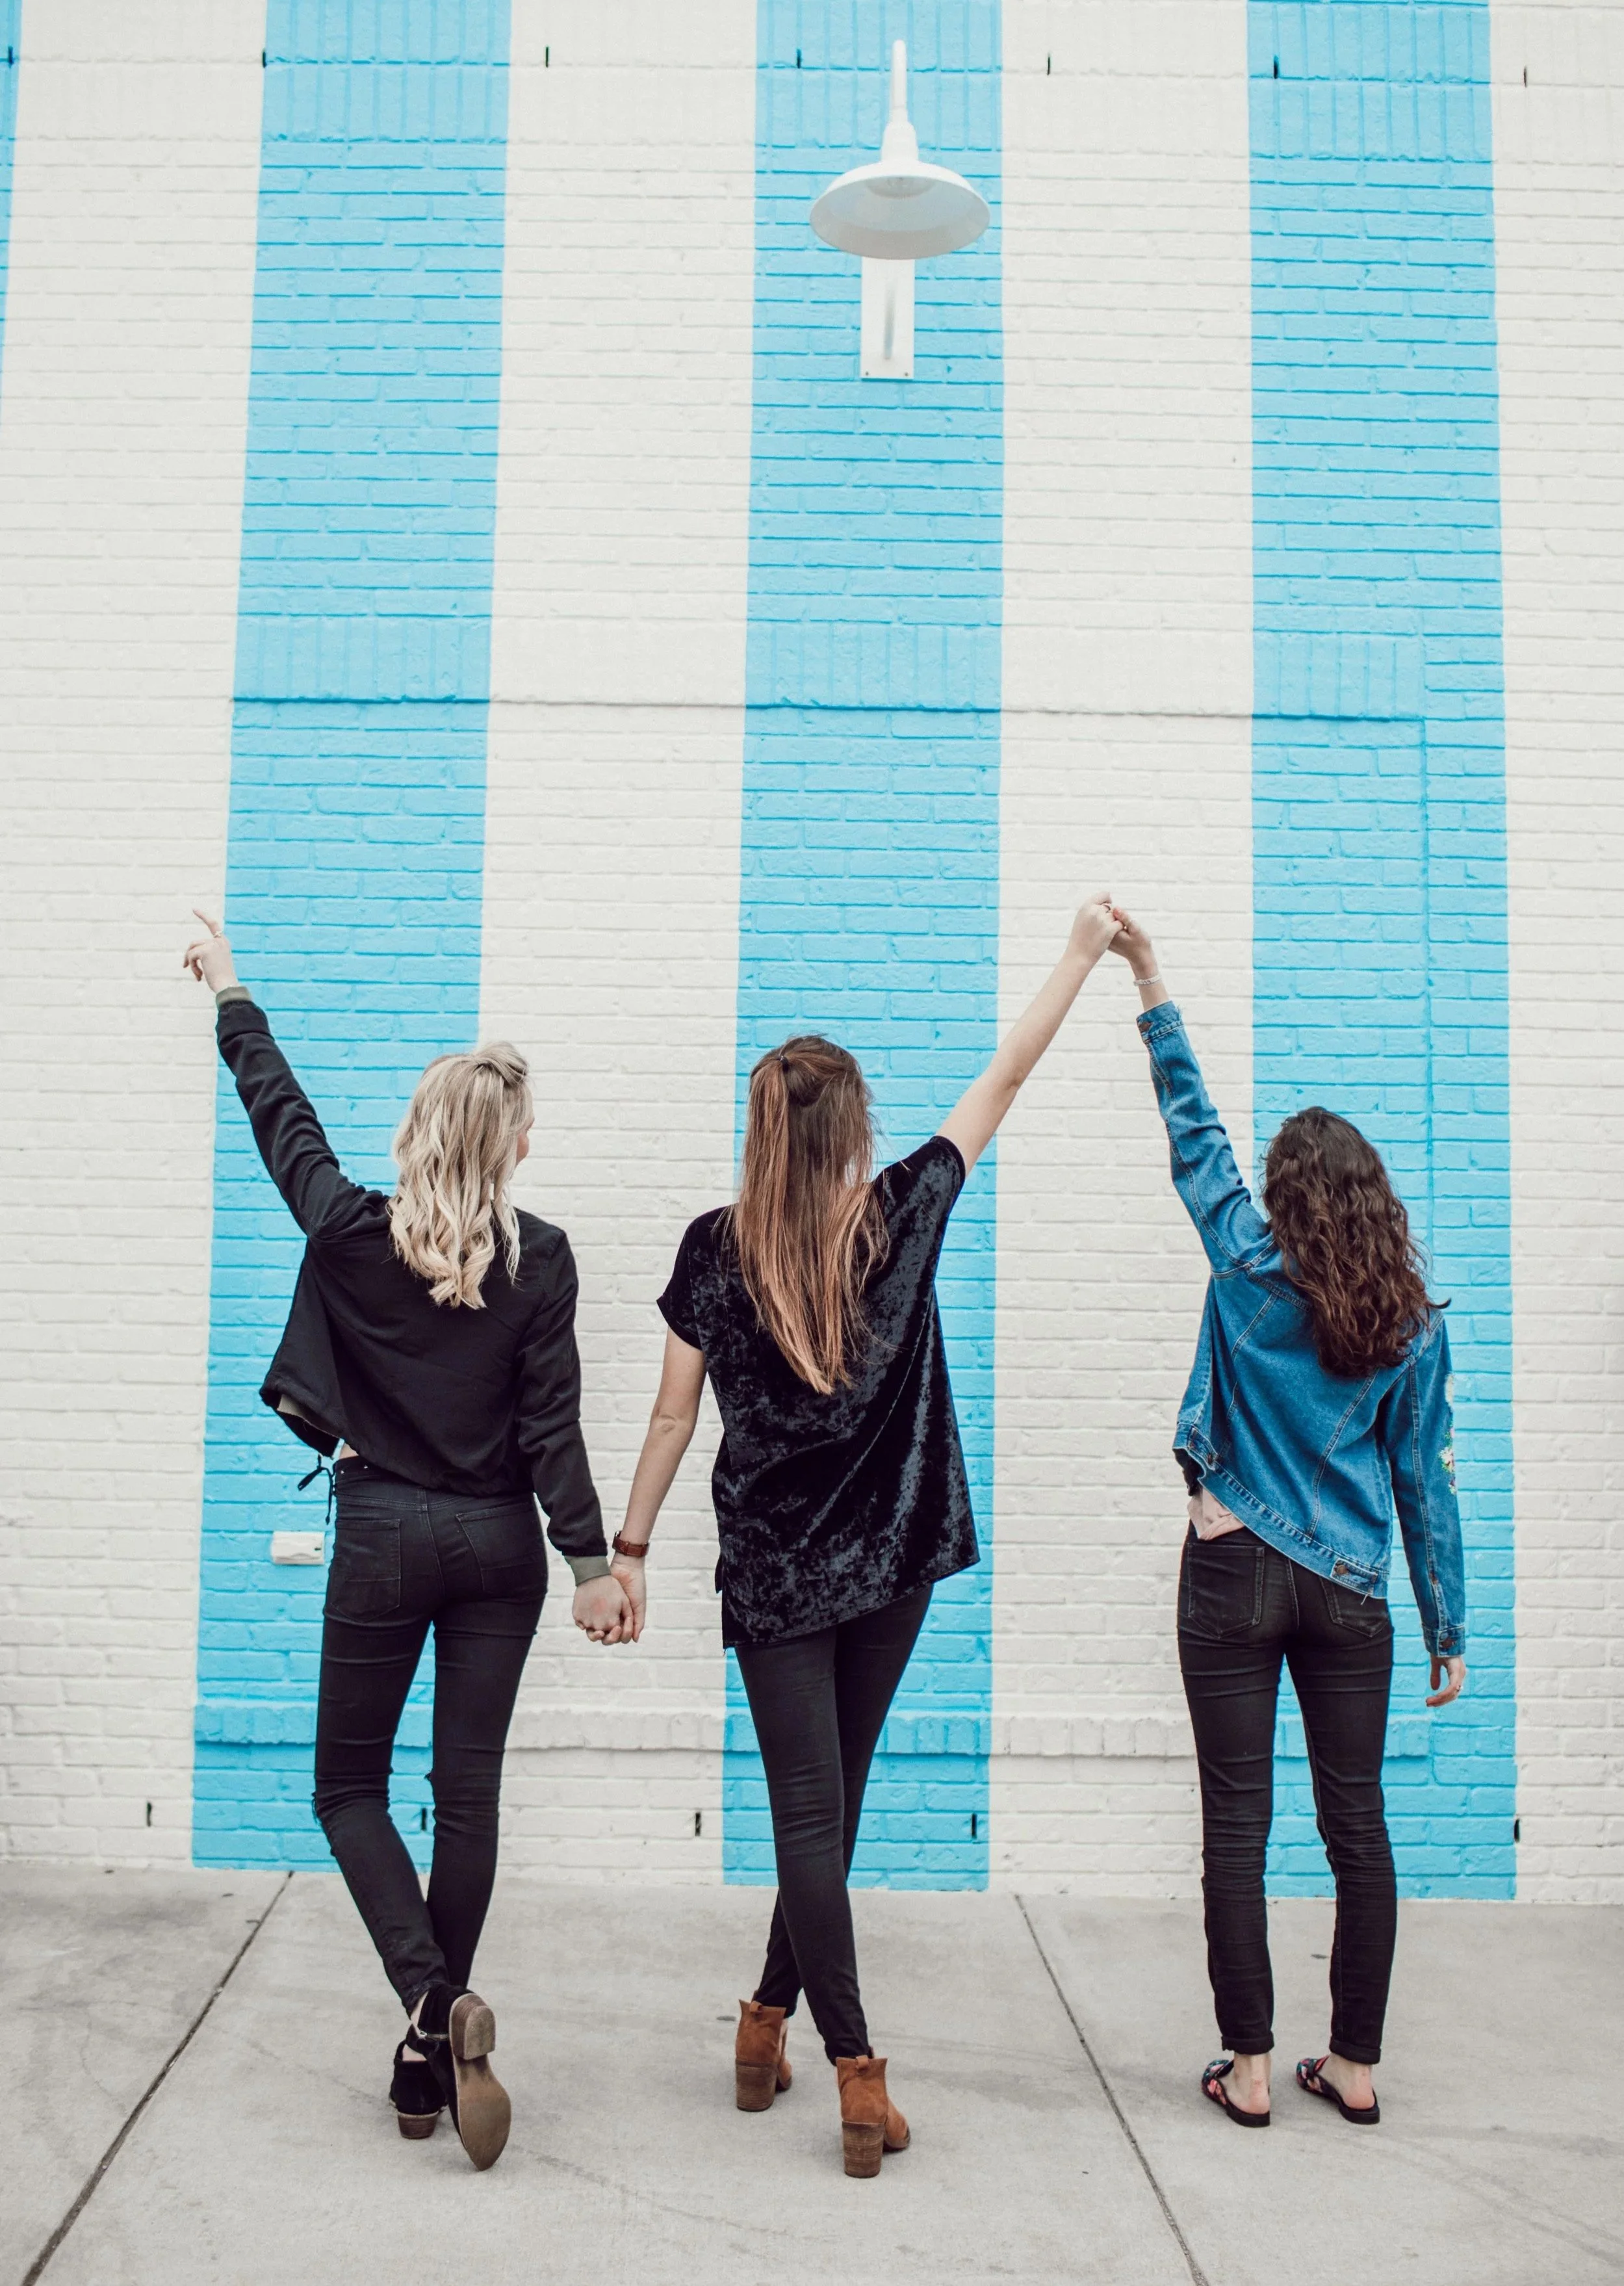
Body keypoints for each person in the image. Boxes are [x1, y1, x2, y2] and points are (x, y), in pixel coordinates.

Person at [590, 894, 1124, 2177]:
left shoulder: (710, 1253)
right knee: (824, 1820)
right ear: (855, 1130)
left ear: (763, 1130)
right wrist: (1079, 954)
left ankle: (779, 2032)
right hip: (891, 1565)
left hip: (775, 1582)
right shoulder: (904, 1212)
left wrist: (632, 1551)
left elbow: (670, 1421)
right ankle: (843, 2069)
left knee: (811, 1821)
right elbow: (1005, 1073)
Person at [183, 912, 632, 2169]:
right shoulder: (542, 1261)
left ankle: (434, 2009)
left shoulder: (344, 1226)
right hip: (500, 1547)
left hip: (382, 1530)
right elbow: (552, 1428)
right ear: (508, 1147)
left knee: (345, 1789)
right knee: (467, 1797)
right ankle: (432, 2043)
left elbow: (283, 1116)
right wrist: (591, 1564)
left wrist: (232, 991)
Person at [1105, 908, 1467, 2130]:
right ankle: (1353, 2067)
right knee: (1356, 1825)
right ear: (1372, 1205)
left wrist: (1150, 976)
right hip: (1354, 1592)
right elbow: (1426, 1482)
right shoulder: (1413, 1323)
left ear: (1281, 1197)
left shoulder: (1246, 1264)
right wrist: (1445, 1630)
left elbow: (1188, 1125)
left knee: (1236, 1828)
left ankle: (1250, 2071)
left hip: (1229, 1567)